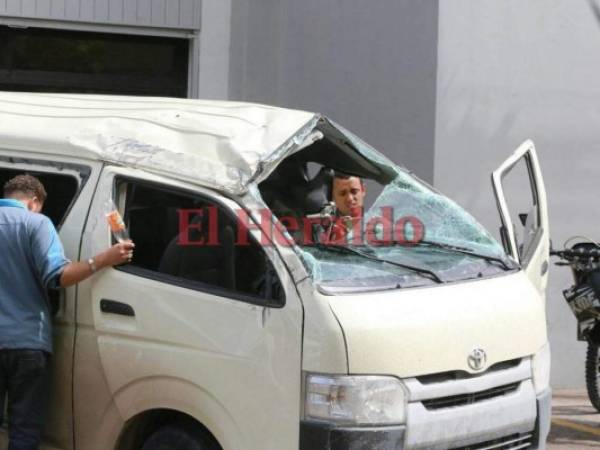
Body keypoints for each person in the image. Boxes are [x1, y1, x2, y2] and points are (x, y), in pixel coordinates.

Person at [0, 174, 134, 450]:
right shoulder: (36, 223)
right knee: (24, 429)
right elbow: (58, 276)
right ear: (34, 202)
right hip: (27, 342)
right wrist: (104, 259)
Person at [328, 172, 366, 243]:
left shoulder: (383, 228)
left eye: (354, 191)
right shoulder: (325, 234)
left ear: (363, 190)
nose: (349, 198)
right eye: (342, 193)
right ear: (333, 197)